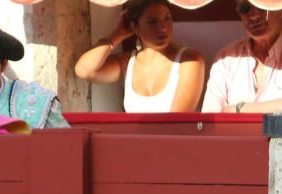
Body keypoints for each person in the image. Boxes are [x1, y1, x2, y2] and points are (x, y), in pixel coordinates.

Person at [74, 0, 204, 113]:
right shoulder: (127, 63)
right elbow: (84, 70)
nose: (163, 27)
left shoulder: (189, 60)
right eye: (152, 22)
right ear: (135, 27)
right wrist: (118, 34)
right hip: (133, 141)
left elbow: (178, 121)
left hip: (173, 141)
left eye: (167, 18)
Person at [201, 0, 282, 113]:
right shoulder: (225, 59)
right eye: (245, 8)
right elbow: (210, 117)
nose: (253, 16)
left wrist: (238, 109)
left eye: (262, 7)